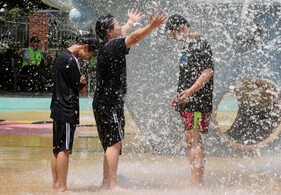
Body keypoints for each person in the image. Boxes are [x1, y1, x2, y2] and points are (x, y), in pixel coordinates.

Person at [93, 10, 167, 190]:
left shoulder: (106, 45)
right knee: (114, 144)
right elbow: (132, 38)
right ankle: (112, 185)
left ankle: (106, 183)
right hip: (110, 104)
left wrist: (129, 22)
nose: (121, 27)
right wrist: (152, 26)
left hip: (103, 102)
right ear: (110, 31)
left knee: (110, 144)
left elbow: (125, 33)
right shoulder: (113, 46)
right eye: (117, 25)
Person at [166, 14, 214, 187]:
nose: (174, 38)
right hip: (188, 100)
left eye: (173, 34)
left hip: (197, 101)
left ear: (180, 28)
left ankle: (196, 184)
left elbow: (207, 72)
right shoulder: (189, 45)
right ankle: (196, 181)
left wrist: (190, 92)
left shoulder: (200, 43)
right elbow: (189, 75)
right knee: (191, 141)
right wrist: (180, 94)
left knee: (194, 142)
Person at [50, 33, 100, 192]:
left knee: (56, 148)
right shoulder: (73, 61)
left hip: (57, 107)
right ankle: (63, 187)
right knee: (65, 148)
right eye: (89, 55)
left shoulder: (61, 57)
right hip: (67, 109)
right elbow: (83, 91)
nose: (87, 58)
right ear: (85, 47)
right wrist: (83, 82)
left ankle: (56, 184)